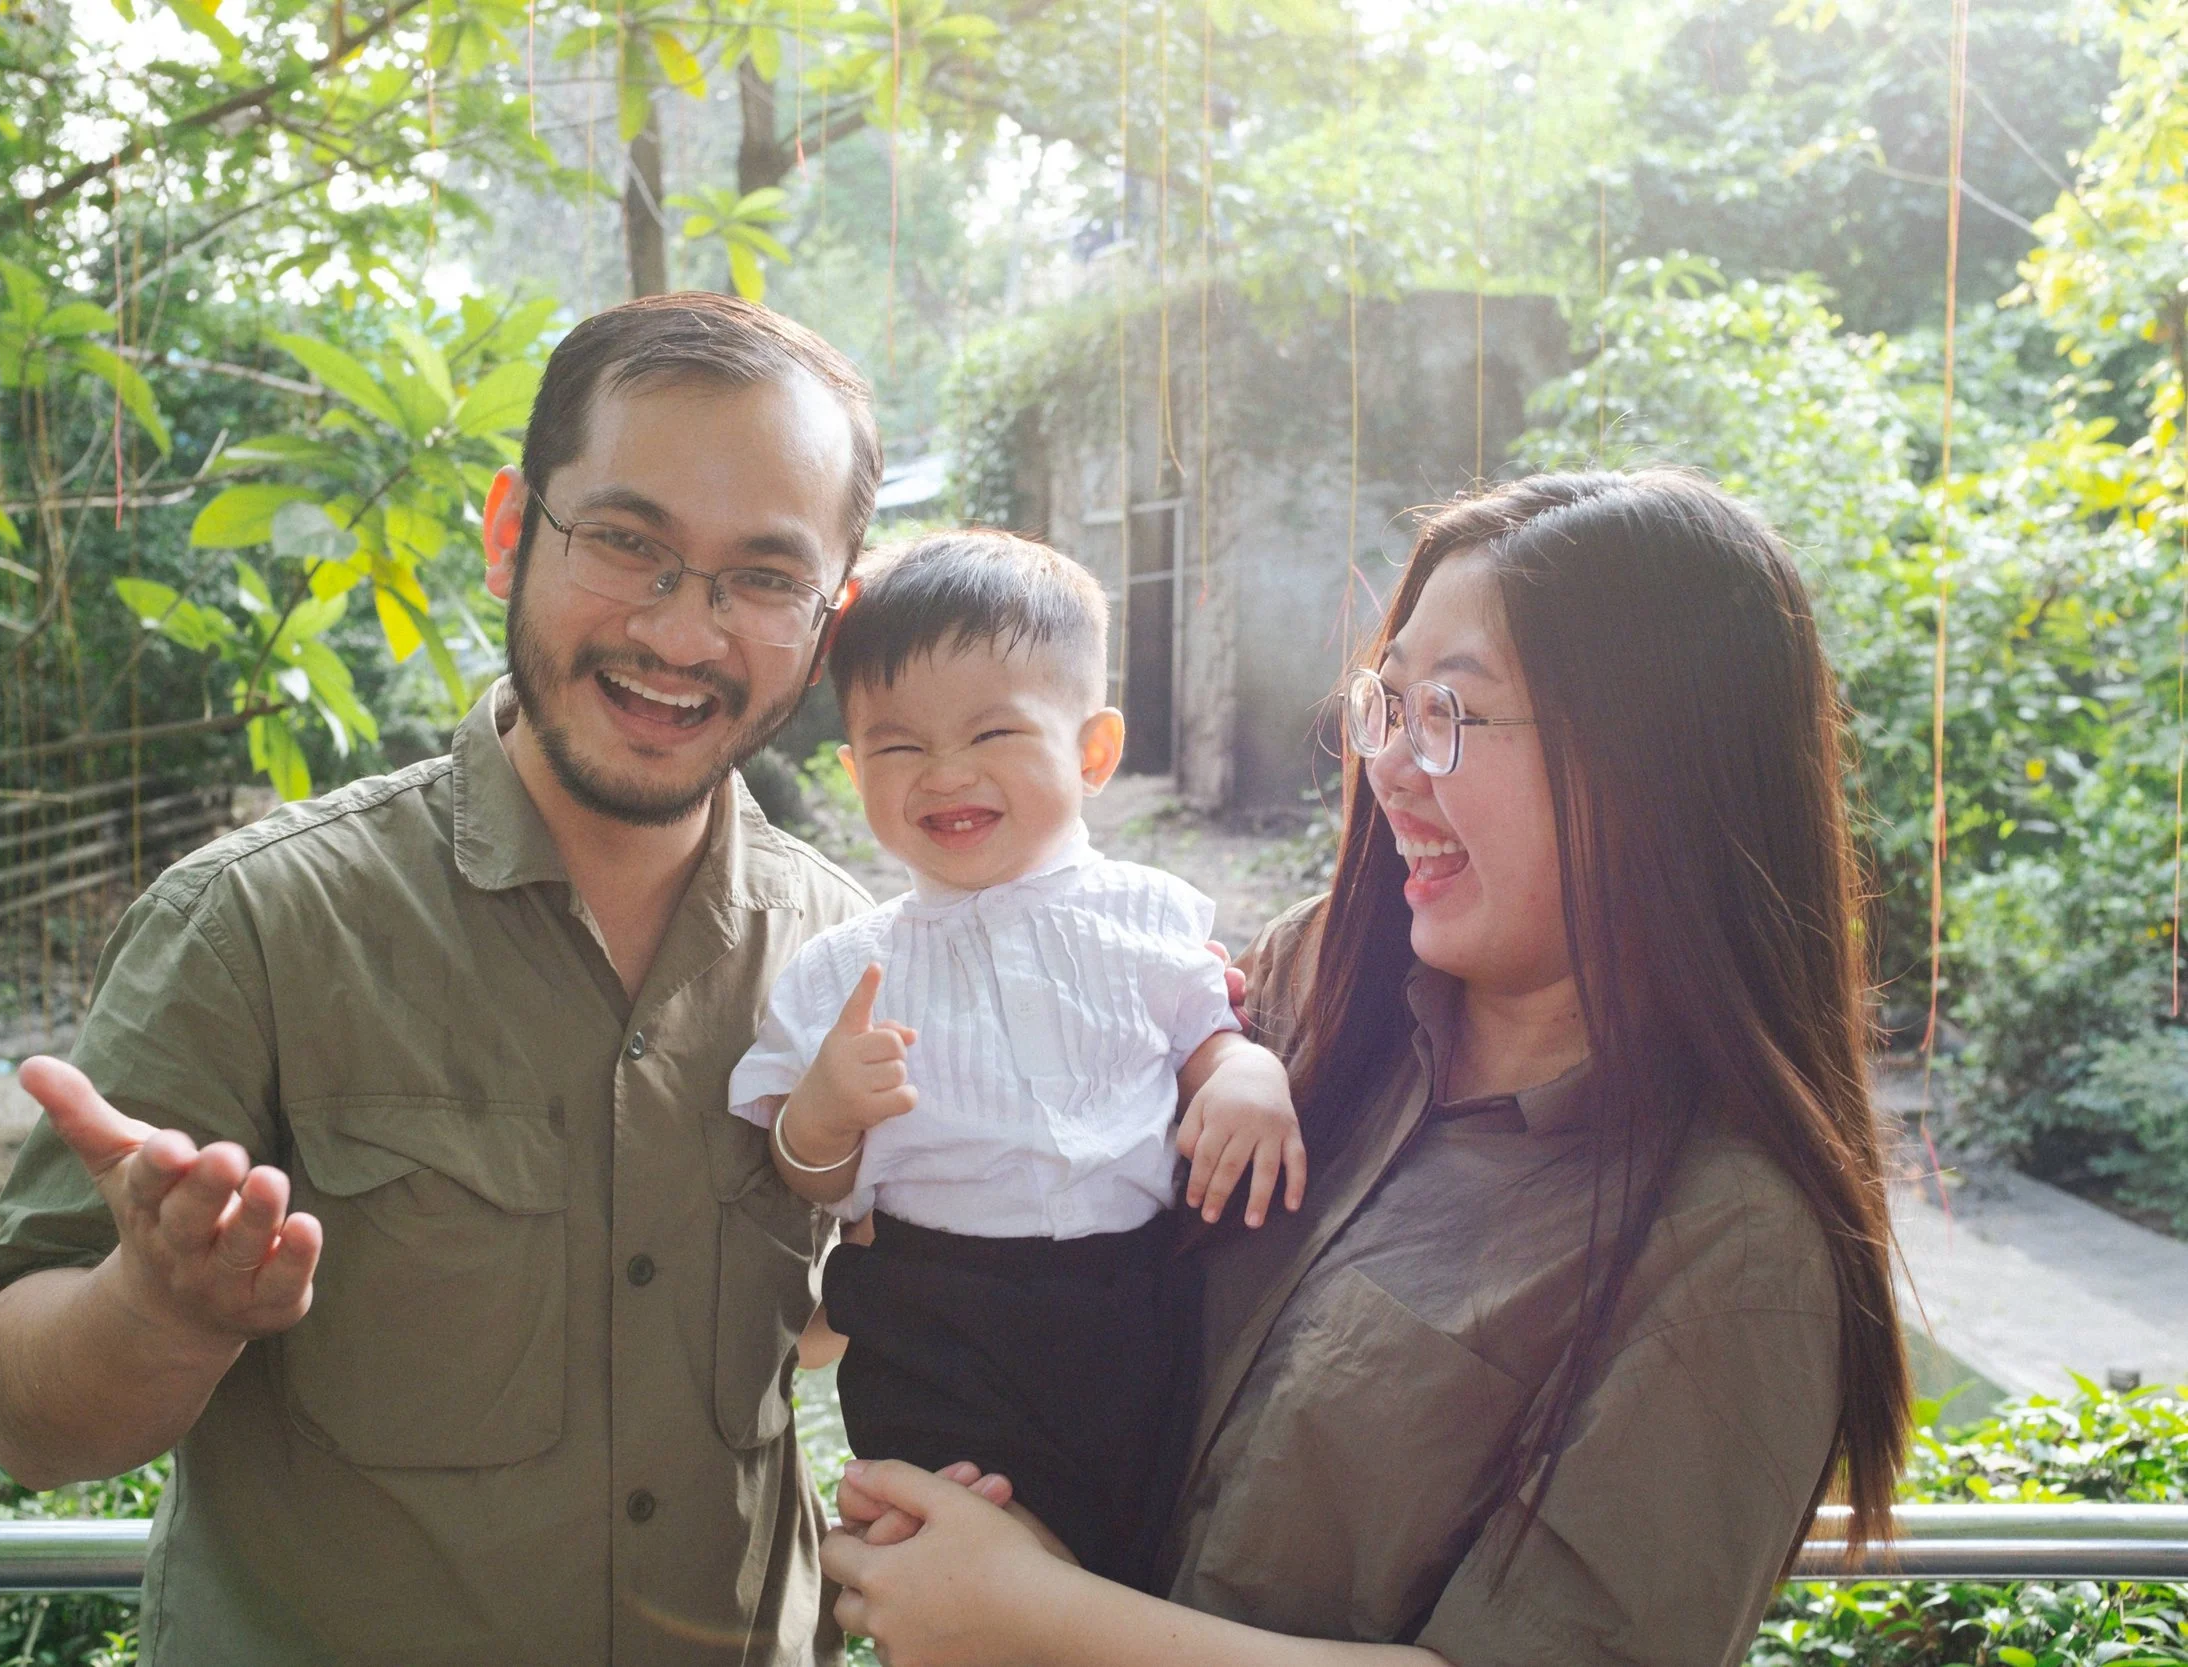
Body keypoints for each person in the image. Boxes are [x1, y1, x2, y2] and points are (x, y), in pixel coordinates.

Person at [820, 470, 1913, 1667]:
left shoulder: (1733, 1248)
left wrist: (1035, 1614)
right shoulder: (1298, 993)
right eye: (1383, 707)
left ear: (1658, 759)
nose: (1387, 768)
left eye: (1448, 713)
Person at [0, 293, 896, 1665]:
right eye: (628, 542)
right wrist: (161, 1307)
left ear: (829, 618)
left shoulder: (851, 963)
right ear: (512, 527)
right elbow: (27, 1424)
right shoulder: (258, 927)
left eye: (761, 577)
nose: (684, 633)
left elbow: (810, 1332)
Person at [727, 531, 1305, 1591]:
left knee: (1139, 1545)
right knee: (962, 1562)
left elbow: (1204, 1037)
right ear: (854, 768)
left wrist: (1244, 1076)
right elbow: (804, 1177)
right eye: (897, 746)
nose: (944, 771)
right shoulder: (848, 968)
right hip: (939, 1325)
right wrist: (820, 1113)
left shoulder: (1145, 914)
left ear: (1091, 750)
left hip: (1135, 1298)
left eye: (993, 730)